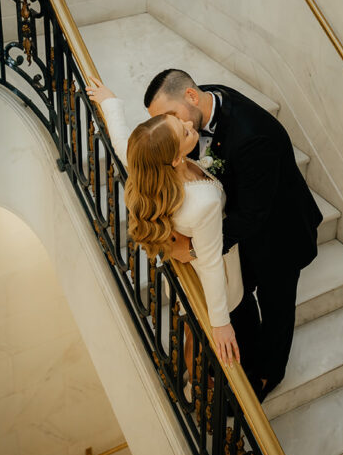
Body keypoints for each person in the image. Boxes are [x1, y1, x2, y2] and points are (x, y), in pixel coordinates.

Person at [143, 69, 323, 400]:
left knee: (276, 309)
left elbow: (253, 215)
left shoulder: (252, 138)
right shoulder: (204, 104)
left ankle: (268, 375)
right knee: (238, 300)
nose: (173, 127)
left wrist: (197, 247)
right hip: (244, 228)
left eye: (171, 116)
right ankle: (239, 356)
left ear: (192, 97)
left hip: (279, 237)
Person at [85, 76, 243, 369]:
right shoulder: (203, 203)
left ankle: (185, 364)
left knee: (189, 326)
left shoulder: (146, 164)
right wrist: (221, 323)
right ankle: (191, 378)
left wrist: (109, 101)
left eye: (175, 121)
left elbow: (122, 142)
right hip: (207, 275)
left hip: (185, 261)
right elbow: (209, 263)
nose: (189, 125)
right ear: (173, 160)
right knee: (200, 332)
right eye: (183, 134)